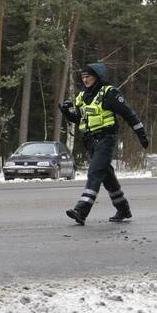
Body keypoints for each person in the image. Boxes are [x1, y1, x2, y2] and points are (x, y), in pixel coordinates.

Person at [59, 63, 149, 224]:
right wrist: (66, 112)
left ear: (98, 77)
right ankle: (123, 209)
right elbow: (78, 119)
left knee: (94, 172)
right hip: (90, 142)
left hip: (106, 140)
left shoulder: (109, 93)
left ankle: (81, 210)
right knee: (107, 177)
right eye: (83, 77)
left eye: (88, 76)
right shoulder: (83, 96)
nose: (85, 80)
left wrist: (141, 135)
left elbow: (129, 114)